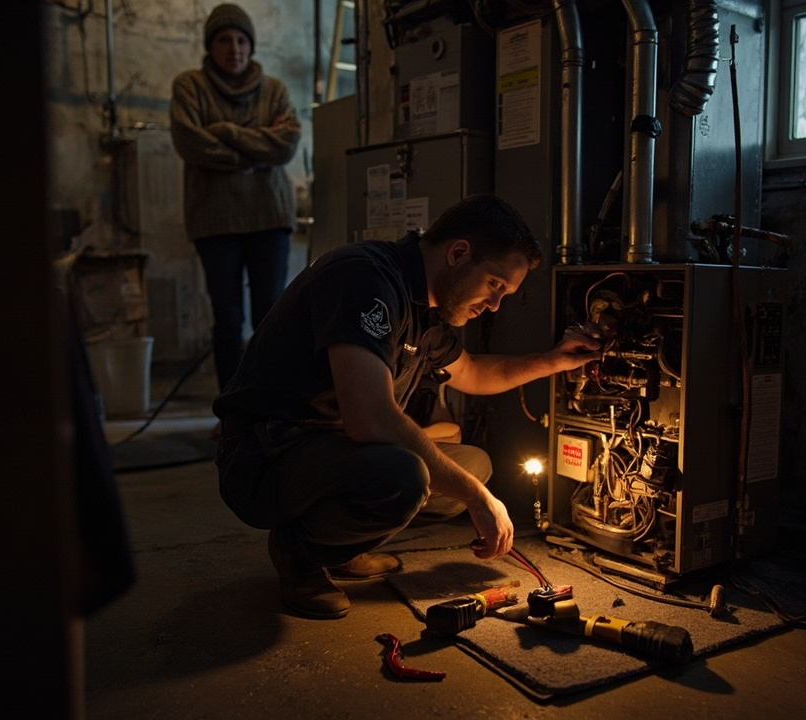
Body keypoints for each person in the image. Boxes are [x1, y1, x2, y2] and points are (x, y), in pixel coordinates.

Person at [212, 194, 601, 619]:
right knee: (407, 477)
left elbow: (472, 373)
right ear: (458, 253)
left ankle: (339, 548)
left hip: (325, 452)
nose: (494, 306)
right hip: (265, 456)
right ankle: (300, 553)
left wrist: (554, 360)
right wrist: (477, 499)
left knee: (472, 466)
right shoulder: (364, 278)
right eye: (494, 285)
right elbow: (370, 417)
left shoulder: (424, 308)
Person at [169, 3, 302, 392]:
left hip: (269, 216)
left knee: (271, 316)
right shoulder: (189, 86)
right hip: (215, 221)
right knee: (227, 319)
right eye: (225, 39)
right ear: (210, 45)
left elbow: (287, 143)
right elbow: (190, 142)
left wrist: (225, 131)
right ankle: (231, 409)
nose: (235, 48)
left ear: (251, 45)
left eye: (242, 39)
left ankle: (268, 403)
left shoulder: (273, 89)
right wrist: (255, 153)